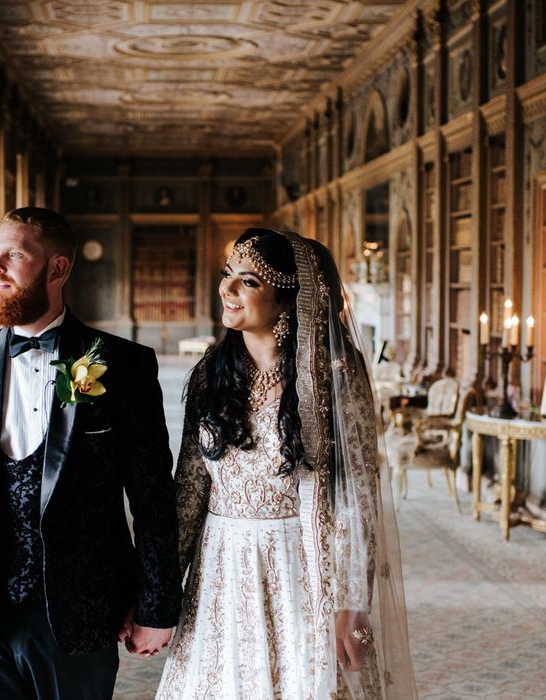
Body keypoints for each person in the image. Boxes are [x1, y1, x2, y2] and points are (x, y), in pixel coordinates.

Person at [0, 207, 181, 699]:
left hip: (80, 611)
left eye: (13, 256)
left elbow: (153, 499)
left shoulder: (120, 365)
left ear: (57, 269)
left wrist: (156, 605)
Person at [157, 228, 416, 699]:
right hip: (221, 571)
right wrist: (159, 592)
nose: (228, 289)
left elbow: (357, 492)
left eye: (249, 281)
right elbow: (191, 489)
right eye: (227, 275)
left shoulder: (335, 377)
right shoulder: (210, 374)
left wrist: (352, 602)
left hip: (301, 568)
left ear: (289, 298)